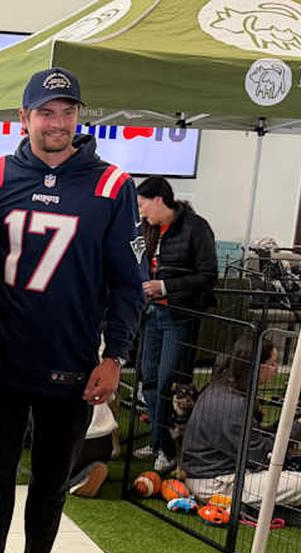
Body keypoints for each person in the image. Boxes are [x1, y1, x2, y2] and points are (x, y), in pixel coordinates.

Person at [0, 67, 145, 553]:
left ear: (79, 117)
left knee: (50, 479)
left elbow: (127, 283)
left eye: (67, 111)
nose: (57, 122)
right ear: (24, 118)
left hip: (71, 362)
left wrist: (115, 357)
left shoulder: (111, 186)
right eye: (46, 111)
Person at [134, 175, 217, 473]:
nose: (140, 211)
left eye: (142, 204)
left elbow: (208, 275)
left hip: (180, 317)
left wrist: (166, 287)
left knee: (168, 381)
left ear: (159, 200)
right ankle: (159, 442)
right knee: (149, 379)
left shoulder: (196, 227)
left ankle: (167, 448)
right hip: (152, 315)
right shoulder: (147, 230)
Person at [181, 338, 301, 507]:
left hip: (209, 473)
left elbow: (252, 439)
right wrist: (296, 429)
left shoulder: (219, 388)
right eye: (272, 364)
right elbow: (262, 457)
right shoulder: (234, 404)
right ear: (257, 366)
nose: (276, 369)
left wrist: (286, 426)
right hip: (215, 483)